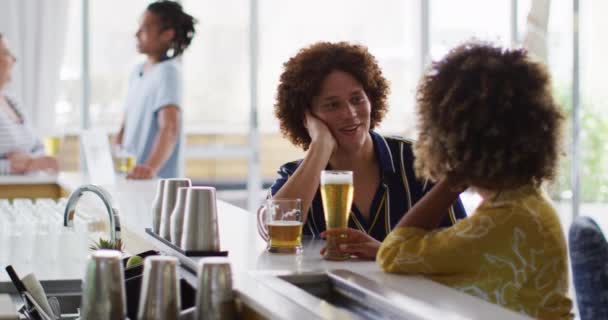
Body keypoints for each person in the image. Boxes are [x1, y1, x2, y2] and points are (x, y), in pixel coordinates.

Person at [372, 42, 572, 319]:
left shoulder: (506, 218)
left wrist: (453, 178)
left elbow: (394, 253)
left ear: (453, 139)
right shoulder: (526, 203)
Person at [266, 41, 467, 259]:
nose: (350, 113)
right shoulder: (296, 175)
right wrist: (320, 147)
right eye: (332, 105)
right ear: (307, 119)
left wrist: (385, 253)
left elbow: (460, 247)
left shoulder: (417, 159)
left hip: (415, 292)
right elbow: (274, 234)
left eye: (356, 99)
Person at [113, 0, 196, 179]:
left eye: (144, 29)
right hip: (130, 177)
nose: (136, 34)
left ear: (167, 34)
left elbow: (170, 127)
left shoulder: (168, 72)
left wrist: (149, 169)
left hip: (154, 183)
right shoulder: (137, 72)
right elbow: (125, 125)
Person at [0, 33, 58, 175]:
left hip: (28, 190)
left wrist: (30, 161)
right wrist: (9, 166)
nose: (14, 59)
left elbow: (39, 147)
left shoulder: (12, 100)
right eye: (7, 53)